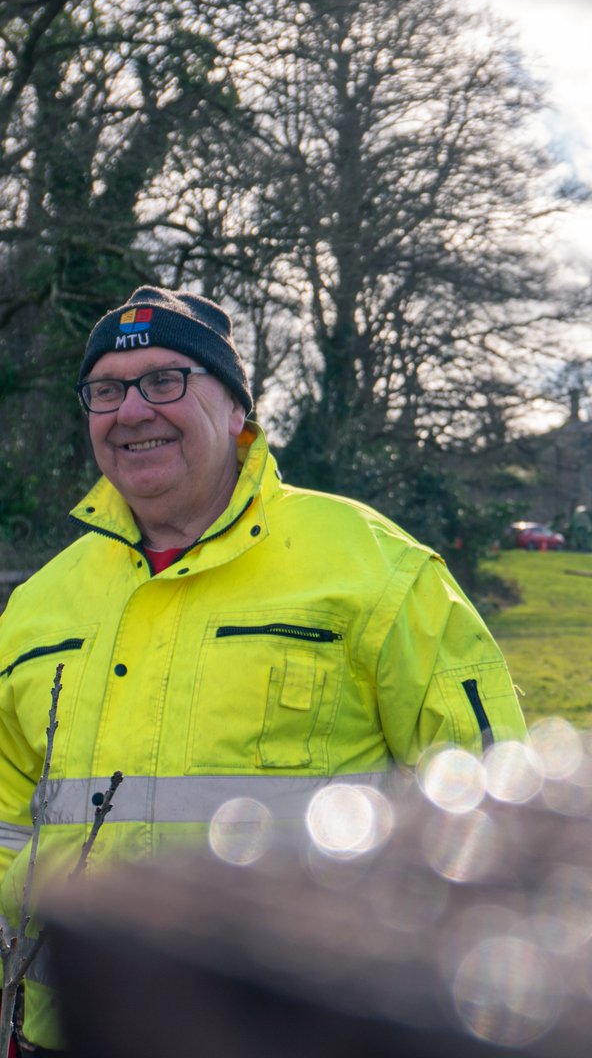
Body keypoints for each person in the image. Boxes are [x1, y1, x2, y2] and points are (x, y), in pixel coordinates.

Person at [0, 286, 526, 1053]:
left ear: (237, 409)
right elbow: (7, 821)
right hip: (68, 1032)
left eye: (164, 380)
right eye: (105, 390)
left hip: (297, 1033)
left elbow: (489, 808)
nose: (132, 410)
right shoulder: (38, 605)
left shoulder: (379, 569)